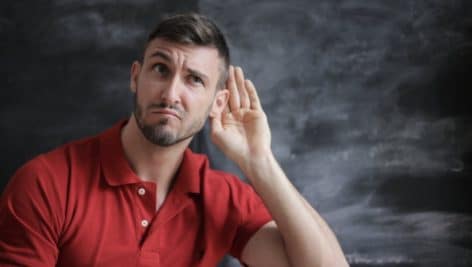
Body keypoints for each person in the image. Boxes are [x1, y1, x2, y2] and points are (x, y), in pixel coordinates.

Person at [0, 13, 348, 267]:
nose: (170, 93)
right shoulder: (46, 183)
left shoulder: (221, 198)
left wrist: (260, 162)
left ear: (218, 102)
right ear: (136, 77)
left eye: (194, 79)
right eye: (161, 69)